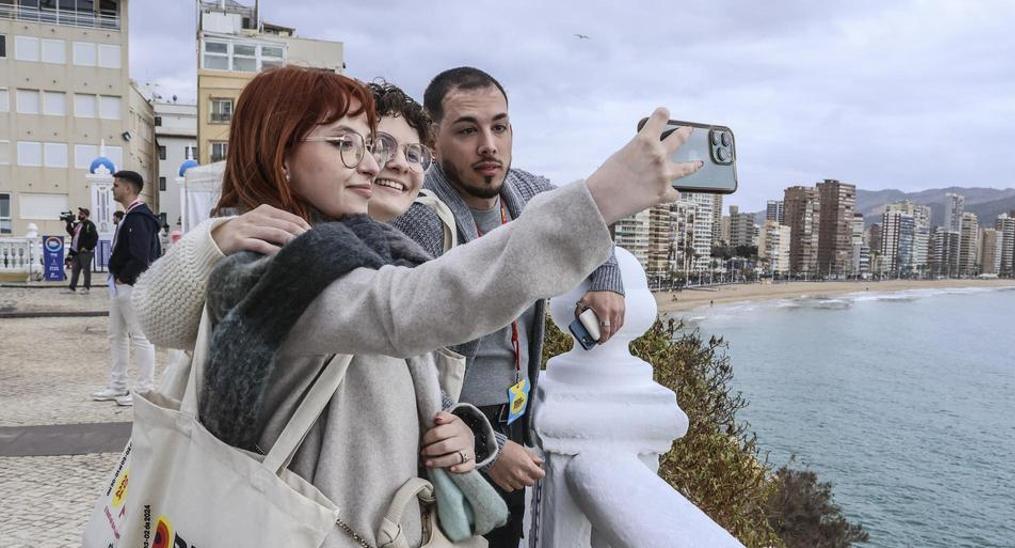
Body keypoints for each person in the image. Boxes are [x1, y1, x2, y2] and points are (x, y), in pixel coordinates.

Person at [131, 66, 698, 546]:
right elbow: (417, 307)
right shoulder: (283, 266)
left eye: (373, 144)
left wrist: (467, 430)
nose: (373, 165)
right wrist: (599, 199)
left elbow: (402, 379)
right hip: (326, 523)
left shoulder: (362, 248)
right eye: (345, 143)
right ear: (282, 157)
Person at [390, 68, 627, 545]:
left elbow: (590, 214)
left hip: (515, 413)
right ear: (434, 141)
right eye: (467, 130)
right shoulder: (421, 218)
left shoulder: (525, 193)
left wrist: (607, 281)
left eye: (499, 127)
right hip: (450, 424)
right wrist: (489, 448)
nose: (488, 146)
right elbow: (407, 365)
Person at [92, 171, 161, 406]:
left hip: (130, 285)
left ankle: (144, 389)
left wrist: (124, 277)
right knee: (116, 335)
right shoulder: (131, 216)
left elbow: (141, 255)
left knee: (139, 336)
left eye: (116, 185)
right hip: (120, 286)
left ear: (128, 188)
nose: (113, 188)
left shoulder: (139, 217)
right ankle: (118, 385)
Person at [64, 207, 98, 294]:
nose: (79, 215)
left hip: (85, 252)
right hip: (75, 251)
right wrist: (68, 223)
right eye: (79, 214)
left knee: (86, 270)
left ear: (86, 215)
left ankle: (86, 288)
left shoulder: (90, 225)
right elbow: (72, 233)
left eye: (81, 214)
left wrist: (87, 247)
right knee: (75, 270)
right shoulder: (78, 224)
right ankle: (72, 287)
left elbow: (94, 238)